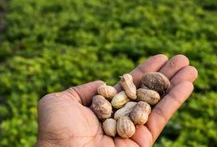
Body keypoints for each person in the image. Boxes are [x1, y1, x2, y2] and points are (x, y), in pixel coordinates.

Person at [35, 54, 198, 147]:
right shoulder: (122, 102)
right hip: (124, 115)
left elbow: (130, 100)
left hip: (127, 113)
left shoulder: (133, 100)